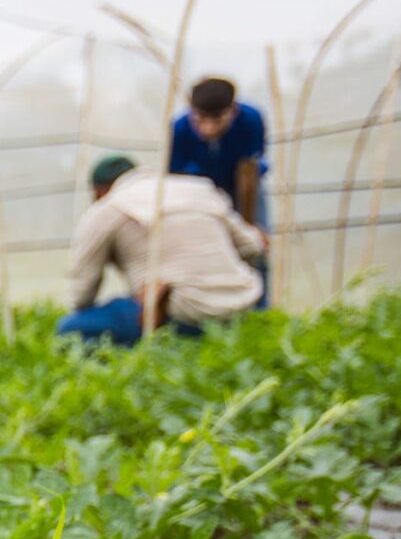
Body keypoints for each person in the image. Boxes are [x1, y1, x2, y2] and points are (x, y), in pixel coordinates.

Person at [58, 154, 266, 345]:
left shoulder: (107, 208)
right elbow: (254, 246)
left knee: (69, 329)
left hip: (181, 314)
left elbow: (82, 292)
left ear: (99, 191)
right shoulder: (200, 189)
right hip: (242, 307)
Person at [168, 76, 270, 306]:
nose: (208, 128)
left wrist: (248, 224)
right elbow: (178, 182)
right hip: (200, 195)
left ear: (232, 110)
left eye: (217, 119)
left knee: (256, 246)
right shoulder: (180, 129)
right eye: (201, 119)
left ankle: (261, 310)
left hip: (244, 187)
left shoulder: (251, 119)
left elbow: (248, 172)